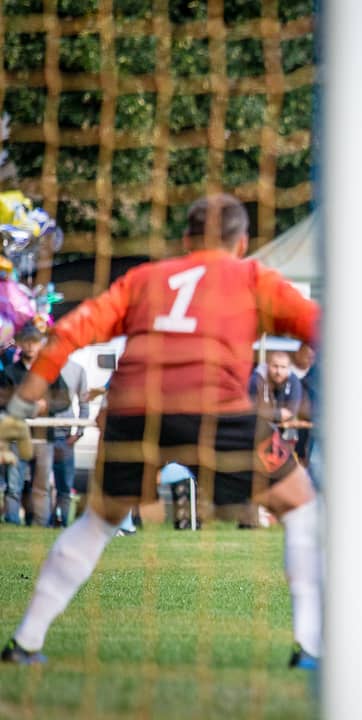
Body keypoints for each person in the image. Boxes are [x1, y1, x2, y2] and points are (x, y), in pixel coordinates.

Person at [0, 194, 322, 669]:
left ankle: (25, 643)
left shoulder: (144, 278)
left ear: (186, 238)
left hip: (134, 409)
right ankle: (311, 650)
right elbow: (327, 328)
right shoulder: (253, 277)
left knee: (97, 523)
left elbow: (67, 333)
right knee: (300, 507)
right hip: (216, 409)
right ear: (242, 243)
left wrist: (19, 408)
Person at [0, 322, 70, 526]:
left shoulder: (51, 371)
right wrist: (29, 406)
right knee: (14, 486)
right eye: (27, 342)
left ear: (41, 344)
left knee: (42, 486)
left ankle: (41, 524)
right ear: (20, 344)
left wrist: (47, 405)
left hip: (44, 437)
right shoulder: (9, 373)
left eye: (35, 342)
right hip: (17, 435)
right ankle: (12, 522)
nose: (30, 346)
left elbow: (64, 399)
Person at [53, 357, 91, 527]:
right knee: (40, 485)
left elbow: (84, 403)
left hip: (64, 436)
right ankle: (40, 523)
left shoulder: (77, 369)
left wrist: (79, 433)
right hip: (40, 435)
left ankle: (62, 522)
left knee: (65, 485)